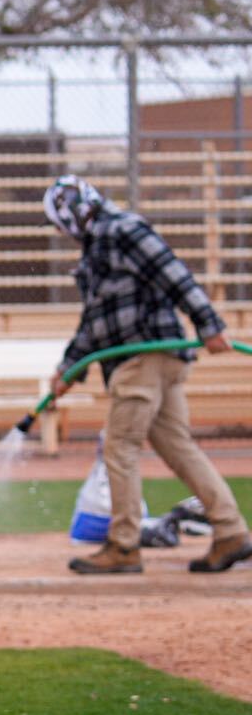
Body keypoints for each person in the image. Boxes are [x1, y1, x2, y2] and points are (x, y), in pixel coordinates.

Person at [42, 175, 251, 576]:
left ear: (71, 213)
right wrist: (68, 368)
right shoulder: (97, 248)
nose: (58, 231)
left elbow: (173, 274)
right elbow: (95, 321)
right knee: (177, 445)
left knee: (120, 447)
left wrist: (208, 323)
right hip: (151, 358)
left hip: (143, 358)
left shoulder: (122, 230)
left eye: (57, 221)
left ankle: (123, 545)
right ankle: (231, 531)